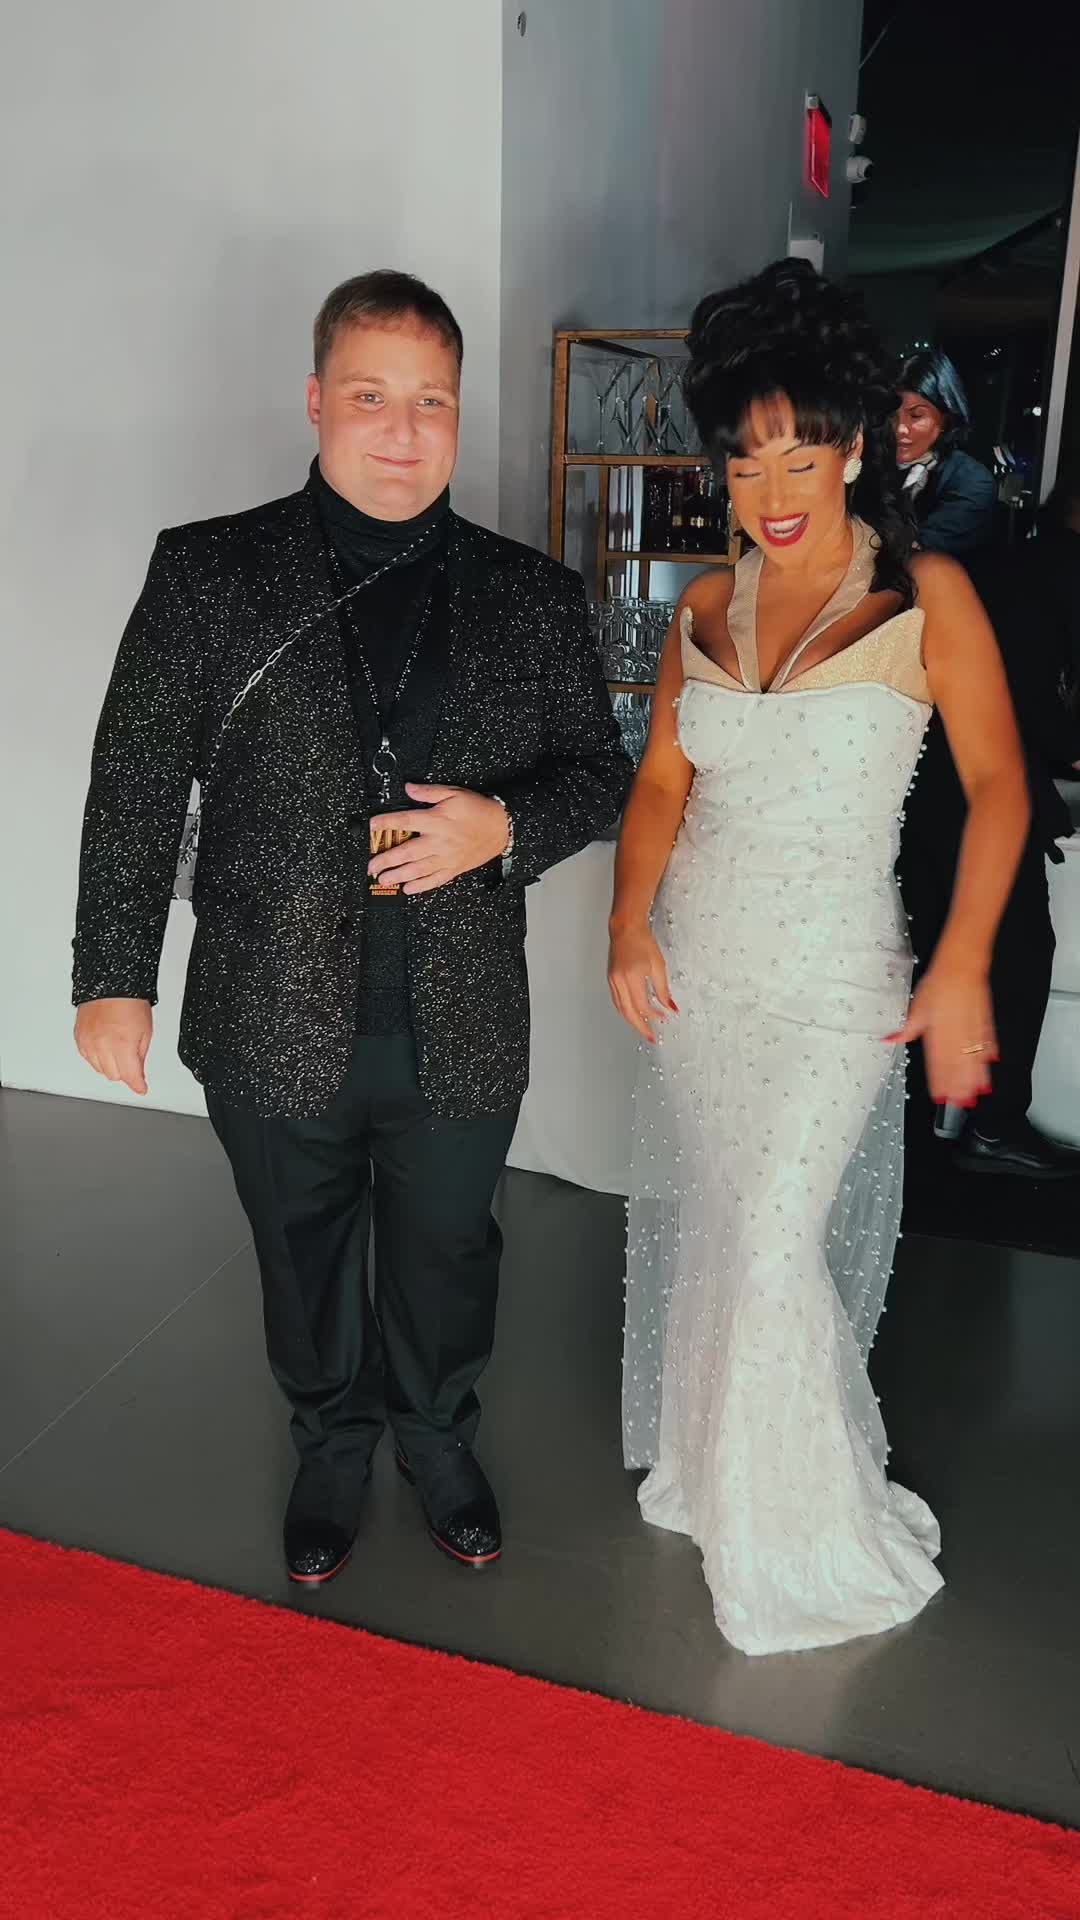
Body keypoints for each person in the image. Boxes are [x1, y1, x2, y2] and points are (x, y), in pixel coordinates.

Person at [73, 269, 630, 1587]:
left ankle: (438, 1439)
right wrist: (114, 975)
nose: (402, 431)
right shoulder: (210, 572)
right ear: (317, 400)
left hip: (459, 1013)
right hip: (266, 999)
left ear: (458, 415)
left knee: (448, 1249)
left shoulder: (530, 594)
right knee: (302, 1247)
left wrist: (504, 827)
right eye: (372, 397)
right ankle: (330, 1442)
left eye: (431, 402)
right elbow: (138, 775)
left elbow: (602, 774)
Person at [608, 259, 1029, 1654]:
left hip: (841, 977)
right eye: (746, 460)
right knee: (733, 1226)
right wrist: (626, 920)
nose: (773, 488)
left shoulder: (928, 597)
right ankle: (720, 1469)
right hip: (703, 968)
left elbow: (1001, 790)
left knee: (777, 1239)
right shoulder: (703, 608)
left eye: (801, 453)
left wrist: (960, 964)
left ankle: (800, 1536)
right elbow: (662, 784)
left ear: (854, 447)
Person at [897, 383, 1080, 1174]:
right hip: (962, 780)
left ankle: (917, 1124)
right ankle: (989, 1124)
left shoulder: (1009, 550)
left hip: (927, 774)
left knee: (931, 944)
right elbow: (1031, 699)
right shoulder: (1047, 567)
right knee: (1014, 954)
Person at [894, 348, 995, 558]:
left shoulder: (972, 482)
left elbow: (915, 555)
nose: (899, 428)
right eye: (892, 415)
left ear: (946, 419)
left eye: (916, 415)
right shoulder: (872, 466)